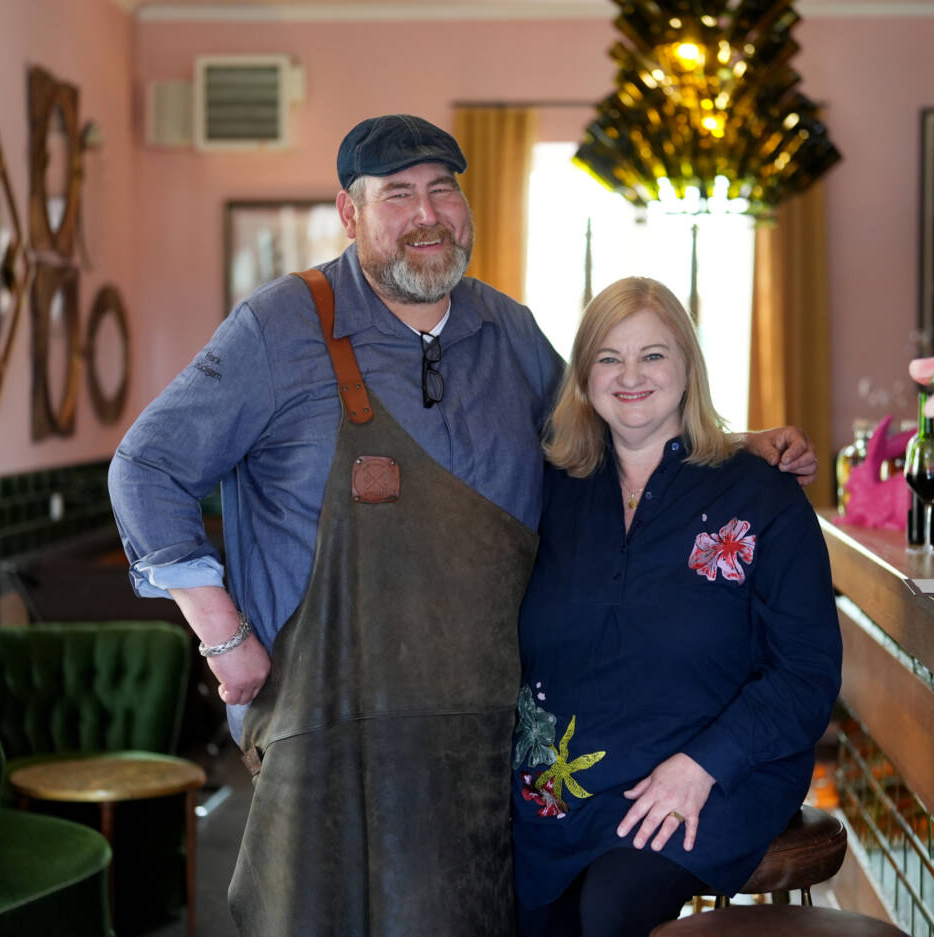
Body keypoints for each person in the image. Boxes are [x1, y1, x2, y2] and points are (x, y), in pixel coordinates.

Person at [108, 114, 817, 937]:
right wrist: (221, 632)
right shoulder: (279, 327)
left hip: (482, 739)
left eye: (443, 189)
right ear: (349, 211)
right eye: (398, 194)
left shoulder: (506, 331)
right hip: (328, 738)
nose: (427, 213)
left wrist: (736, 445)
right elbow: (144, 466)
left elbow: (612, 422)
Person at [511, 276, 842, 937]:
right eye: (609, 357)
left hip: (718, 767)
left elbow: (807, 673)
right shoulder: (546, 489)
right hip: (568, 777)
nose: (631, 375)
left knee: (609, 908)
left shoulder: (762, 496)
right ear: (583, 376)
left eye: (653, 355)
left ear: (689, 366)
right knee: (524, 910)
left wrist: (704, 764)